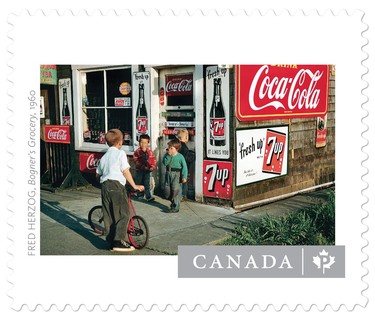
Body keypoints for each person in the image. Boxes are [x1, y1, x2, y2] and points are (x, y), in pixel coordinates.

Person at [96, 129, 144, 252]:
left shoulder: (104, 157)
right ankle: (119, 241)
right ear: (119, 142)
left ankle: (111, 242)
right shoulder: (120, 153)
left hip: (105, 186)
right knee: (124, 214)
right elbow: (125, 171)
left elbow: (97, 174)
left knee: (109, 215)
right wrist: (134, 185)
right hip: (116, 186)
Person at [162, 139, 188, 213]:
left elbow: (184, 167)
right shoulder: (167, 155)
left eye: (171, 148)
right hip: (168, 173)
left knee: (176, 190)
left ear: (176, 149)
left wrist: (184, 176)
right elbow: (165, 163)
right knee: (168, 190)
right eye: (169, 148)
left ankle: (176, 206)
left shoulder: (180, 157)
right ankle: (173, 202)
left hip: (177, 174)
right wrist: (168, 156)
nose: (169, 149)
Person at [133, 134, 156, 202]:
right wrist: (142, 166)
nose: (143, 144)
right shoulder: (137, 152)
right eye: (141, 142)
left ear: (148, 143)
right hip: (139, 170)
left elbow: (153, 160)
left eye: (145, 142)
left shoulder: (150, 152)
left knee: (147, 183)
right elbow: (136, 160)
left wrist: (152, 167)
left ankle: (148, 196)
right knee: (139, 182)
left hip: (147, 171)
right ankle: (140, 195)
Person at [176, 128, 195, 201]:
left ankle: (176, 194)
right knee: (184, 182)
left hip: (176, 168)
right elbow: (186, 158)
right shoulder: (184, 147)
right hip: (183, 168)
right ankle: (183, 195)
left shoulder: (176, 146)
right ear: (186, 137)